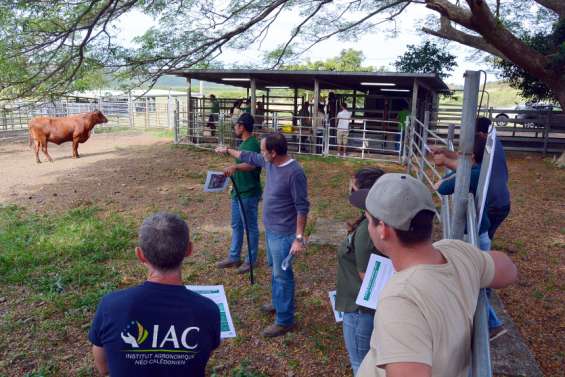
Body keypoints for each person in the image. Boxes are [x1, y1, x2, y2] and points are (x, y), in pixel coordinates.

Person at [357, 173, 518, 377]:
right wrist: (474, 264)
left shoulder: (401, 299)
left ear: (383, 229)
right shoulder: (456, 252)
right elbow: (509, 270)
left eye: (368, 219)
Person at [89, 213, 221, 377]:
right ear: (189, 250)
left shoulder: (111, 305)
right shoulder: (208, 310)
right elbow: (202, 357)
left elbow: (103, 367)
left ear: (140, 255)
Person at [215, 133, 309, 337]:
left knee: (282, 275)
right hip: (272, 229)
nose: (261, 153)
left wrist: (299, 238)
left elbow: (302, 207)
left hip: (284, 234)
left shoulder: (295, 173)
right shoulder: (270, 163)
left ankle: (285, 320)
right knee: (274, 269)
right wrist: (228, 150)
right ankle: (278, 302)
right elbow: (248, 156)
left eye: (264, 150)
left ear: (273, 153)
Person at [434, 137, 506, 340]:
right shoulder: (481, 169)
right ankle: (483, 322)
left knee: (470, 282)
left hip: (473, 234)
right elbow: (459, 170)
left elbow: (443, 187)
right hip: (481, 231)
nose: (459, 156)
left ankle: (492, 324)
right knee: (476, 282)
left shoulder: (473, 175)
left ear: (471, 157)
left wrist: (444, 180)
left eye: (463, 154)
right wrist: (449, 158)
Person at [336, 168, 385, 376]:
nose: (350, 189)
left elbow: (368, 278)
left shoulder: (367, 230)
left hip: (359, 311)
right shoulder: (374, 220)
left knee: (361, 364)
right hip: (363, 310)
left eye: (353, 186)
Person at [430, 117, 510, 240]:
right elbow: (464, 156)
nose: (470, 138)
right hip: (497, 201)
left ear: (481, 135)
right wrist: (444, 151)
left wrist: (445, 161)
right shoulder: (488, 144)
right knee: (481, 238)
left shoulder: (488, 151)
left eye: (473, 134)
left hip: (494, 204)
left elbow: (466, 167)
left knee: (479, 238)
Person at [216, 113, 262, 274]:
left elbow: (252, 165)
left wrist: (235, 167)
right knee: (236, 225)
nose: (234, 127)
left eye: (236, 125)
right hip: (238, 192)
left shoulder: (252, 144)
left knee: (250, 228)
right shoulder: (243, 144)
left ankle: (251, 260)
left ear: (242, 127)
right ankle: (234, 256)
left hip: (249, 193)